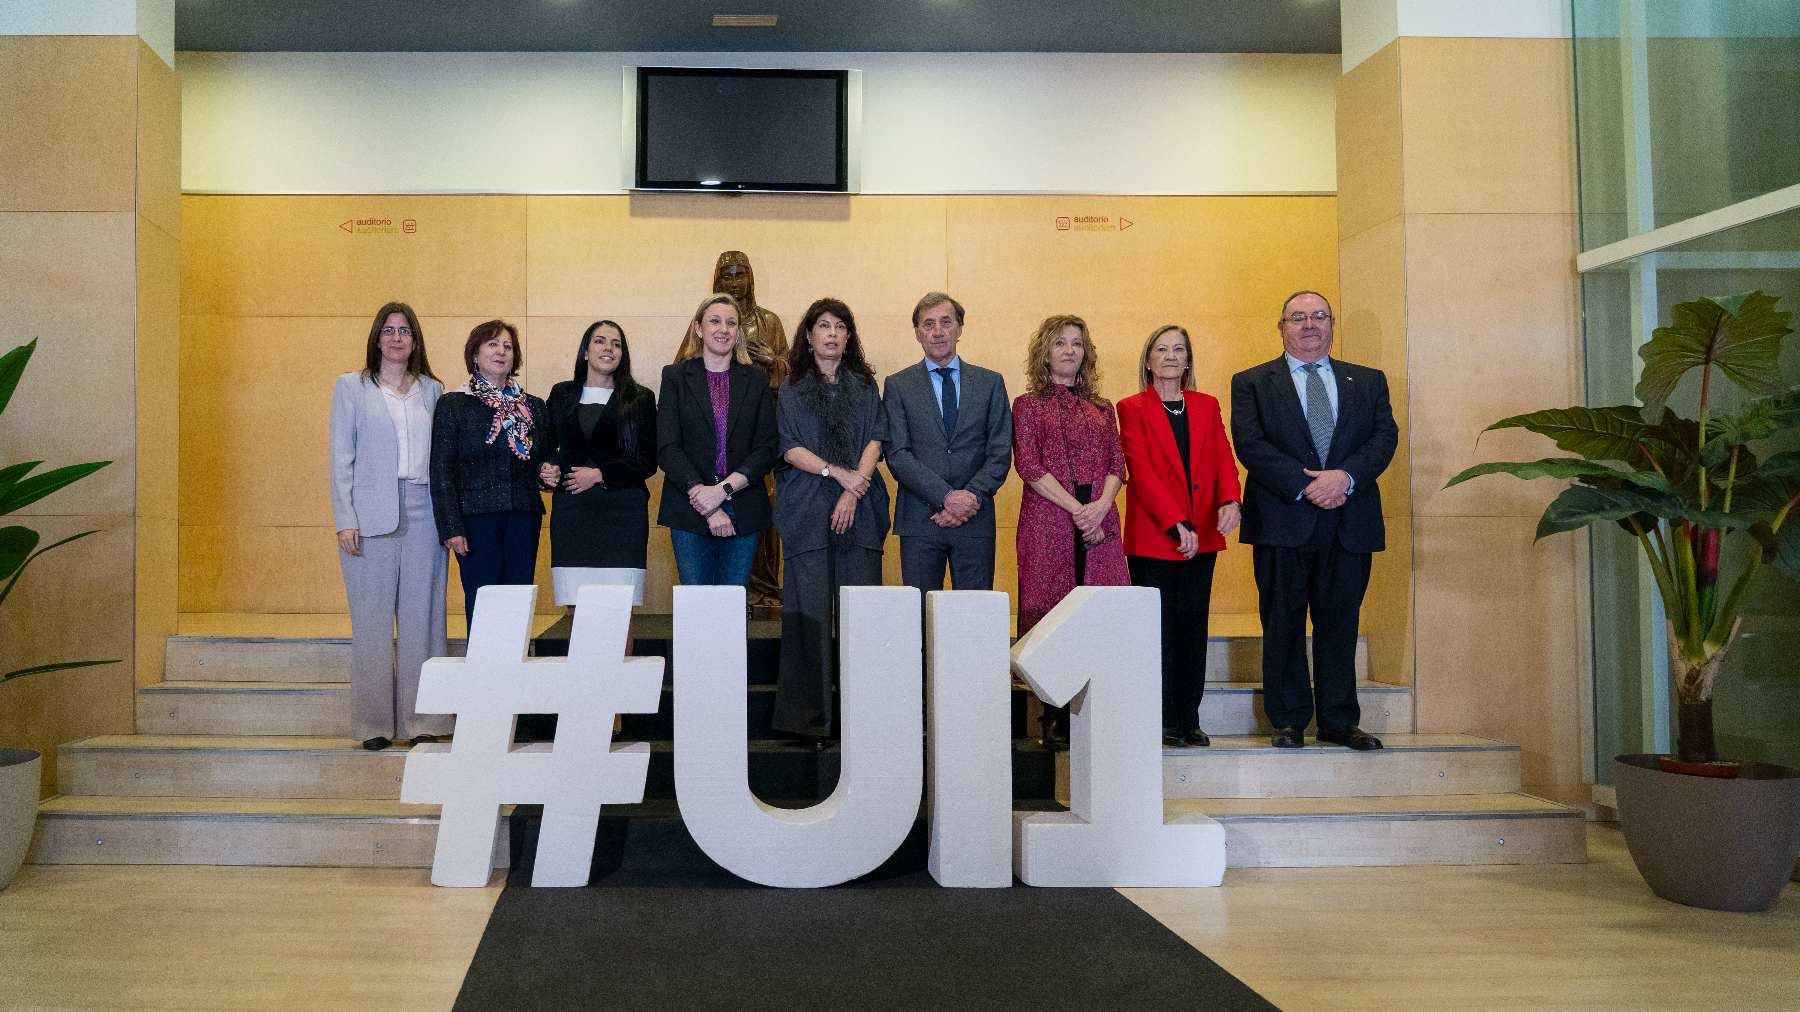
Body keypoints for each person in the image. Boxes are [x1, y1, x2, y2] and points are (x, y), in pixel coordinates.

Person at [1230, 291, 1398, 751]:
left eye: (1318, 316)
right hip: (1283, 517)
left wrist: (1344, 477)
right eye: (1298, 317)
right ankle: (1287, 721)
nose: (1309, 325)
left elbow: (1385, 437)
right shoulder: (1252, 382)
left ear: (1332, 324)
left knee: (1339, 622)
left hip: (1349, 517)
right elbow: (1250, 443)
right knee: (1282, 621)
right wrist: (1307, 485)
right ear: (1281, 327)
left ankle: (1340, 721)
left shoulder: (1367, 381)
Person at [330, 302, 451, 752]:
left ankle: (424, 720)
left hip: (426, 514)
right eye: (388, 330)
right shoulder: (351, 387)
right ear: (377, 338)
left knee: (424, 621)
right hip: (369, 517)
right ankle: (374, 723)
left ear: (415, 340)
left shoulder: (433, 391)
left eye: (405, 331)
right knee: (373, 623)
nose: (397, 337)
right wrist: (346, 519)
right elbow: (341, 458)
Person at [769, 298, 889, 750]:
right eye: (824, 326)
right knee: (809, 618)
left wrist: (855, 486)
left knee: (862, 620)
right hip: (807, 512)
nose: (833, 334)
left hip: (862, 511)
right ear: (809, 335)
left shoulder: (865, 385)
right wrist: (838, 475)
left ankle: (865, 719)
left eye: (841, 326)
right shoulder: (792, 389)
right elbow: (788, 447)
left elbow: (878, 436)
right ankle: (809, 722)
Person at [1117, 325, 1242, 749]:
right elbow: (1142, 471)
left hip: (1204, 533)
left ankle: (1190, 717)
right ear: (1148, 360)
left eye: (1178, 350)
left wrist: (1231, 501)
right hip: (1155, 536)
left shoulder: (1206, 405)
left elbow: (1224, 457)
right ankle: (1163, 717)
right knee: (1160, 631)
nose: (1170, 356)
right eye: (1161, 349)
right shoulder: (1131, 407)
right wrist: (1175, 524)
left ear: (1188, 359)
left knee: (1193, 627)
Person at [1012, 315, 1129, 749]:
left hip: (1101, 520)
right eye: (1059, 343)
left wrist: (1099, 508)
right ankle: (1053, 716)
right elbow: (1029, 466)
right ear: (1044, 351)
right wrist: (1078, 510)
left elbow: (1118, 464)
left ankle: (1101, 711)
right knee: (1050, 611)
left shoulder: (1103, 408)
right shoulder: (1026, 405)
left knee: (1100, 608)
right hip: (1049, 520)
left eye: (1076, 343)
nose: (1068, 350)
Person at [881, 292, 1013, 596]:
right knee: (920, 620)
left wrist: (970, 498)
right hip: (920, 520)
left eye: (945, 322)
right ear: (917, 333)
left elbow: (999, 450)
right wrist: (946, 497)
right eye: (928, 324)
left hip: (975, 518)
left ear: (960, 328)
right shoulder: (898, 385)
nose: (937, 331)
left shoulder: (990, 383)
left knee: (973, 619)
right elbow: (898, 453)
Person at [430, 319, 557, 629]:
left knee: (518, 604)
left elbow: (543, 456)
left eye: (508, 346)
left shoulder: (533, 406)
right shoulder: (454, 404)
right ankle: (484, 677)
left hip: (522, 517)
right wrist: (451, 526)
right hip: (475, 522)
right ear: (474, 353)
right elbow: (441, 469)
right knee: (484, 605)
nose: (501, 351)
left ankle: (514, 676)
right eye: (492, 344)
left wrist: (547, 470)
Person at [656, 293, 778, 588]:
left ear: (738, 333)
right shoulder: (675, 377)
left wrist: (722, 490)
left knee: (731, 608)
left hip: (744, 507)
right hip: (690, 507)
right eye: (715, 321)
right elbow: (668, 447)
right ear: (698, 328)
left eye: (731, 323)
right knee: (695, 606)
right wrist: (707, 502)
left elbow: (767, 447)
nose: (723, 329)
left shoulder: (756, 379)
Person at [541, 320, 657, 610]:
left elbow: (647, 460)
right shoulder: (561, 394)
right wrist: (548, 469)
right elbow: (546, 448)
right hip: (572, 514)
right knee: (576, 606)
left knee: (620, 608)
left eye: (616, 344)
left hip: (623, 514)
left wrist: (600, 474)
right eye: (600, 341)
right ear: (585, 351)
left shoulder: (641, 398)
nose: (608, 348)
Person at [711, 251, 788, 609]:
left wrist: (771, 361)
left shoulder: (768, 322)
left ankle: (766, 589)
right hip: (719, 437)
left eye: (741, 274)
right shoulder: (710, 320)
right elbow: (686, 365)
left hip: (763, 435)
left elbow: (794, 372)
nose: (735, 281)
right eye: (728, 274)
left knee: (765, 507)